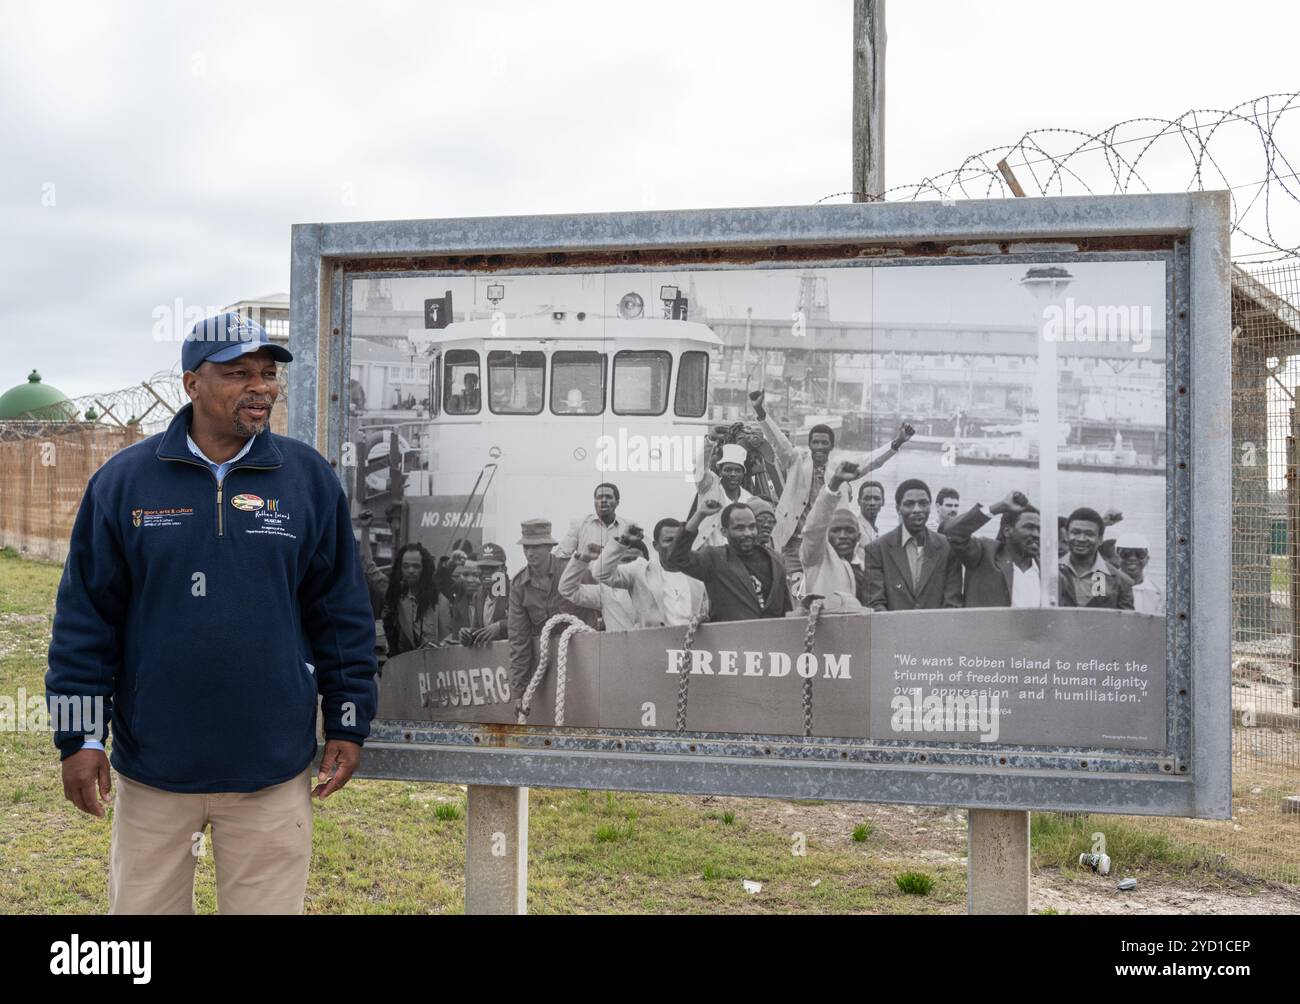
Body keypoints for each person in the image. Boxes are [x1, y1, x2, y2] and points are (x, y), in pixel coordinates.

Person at [44, 311, 377, 915]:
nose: (261, 386)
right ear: (192, 384)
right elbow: (84, 623)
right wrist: (79, 735)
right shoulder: (124, 483)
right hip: (155, 771)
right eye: (238, 372)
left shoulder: (307, 481)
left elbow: (339, 612)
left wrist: (350, 723)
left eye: (268, 373)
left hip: (271, 769)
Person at [750, 388, 913, 572]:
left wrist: (897, 442)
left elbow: (870, 461)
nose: (819, 447)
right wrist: (760, 411)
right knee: (791, 593)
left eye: (824, 443)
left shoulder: (840, 468)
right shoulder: (796, 460)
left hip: (826, 546)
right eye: (816, 442)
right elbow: (777, 440)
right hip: (792, 543)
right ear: (809, 444)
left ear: (832, 445)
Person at [508, 519, 597, 693]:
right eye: (526, 547)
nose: (530, 552)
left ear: (549, 547)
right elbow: (518, 639)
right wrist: (519, 691)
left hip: (587, 661)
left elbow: (606, 603)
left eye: (536, 547)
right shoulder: (519, 586)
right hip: (550, 668)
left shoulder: (574, 572)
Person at [664, 500, 792, 621]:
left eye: (752, 527)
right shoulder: (714, 559)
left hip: (773, 639)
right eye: (740, 528)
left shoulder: (776, 560)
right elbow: (677, 557)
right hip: (731, 641)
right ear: (724, 532)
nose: (747, 533)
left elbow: (786, 608)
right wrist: (700, 515)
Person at [862, 479, 962, 611]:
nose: (917, 509)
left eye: (923, 503)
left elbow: (952, 602)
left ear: (930, 507)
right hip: (893, 629)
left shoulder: (947, 548)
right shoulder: (877, 549)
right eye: (909, 504)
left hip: (937, 629)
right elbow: (875, 602)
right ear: (898, 508)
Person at [591, 518, 708, 627]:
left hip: (693, 644)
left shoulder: (699, 573)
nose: (675, 545)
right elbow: (600, 573)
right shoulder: (640, 570)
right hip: (652, 644)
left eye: (679, 540)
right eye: (668, 540)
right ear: (655, 546)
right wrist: (624, 540)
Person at [942, 492, 1042, 608]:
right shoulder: (985, 553)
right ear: (1007, 531)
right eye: (1029, 527)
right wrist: (1000, 507)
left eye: (1039, 529)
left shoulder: (1048, 572)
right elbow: (953, 533)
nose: (1036, 534)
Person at [799, 461, 868, 609]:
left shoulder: (866, 565)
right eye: (836, 530)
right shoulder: (815, 560)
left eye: (849, 531)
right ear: (826, 535)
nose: (843, 536)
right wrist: (834, 484)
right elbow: (813, 529)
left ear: (858, 536)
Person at [370, 542, 450, 656]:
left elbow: (447, 642)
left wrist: (439, 646)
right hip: (406, 665)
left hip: (433, 664)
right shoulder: (396, 593)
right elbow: (369, 568)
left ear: (424, 568)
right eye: (406, 566)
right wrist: (365, 528)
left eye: (416, 566)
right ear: (400, 568)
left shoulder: (439, 601)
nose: (411, 570)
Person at [559, 539, 647, 632]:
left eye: (636, 560)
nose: (632, 565)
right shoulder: (605, 592)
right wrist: (583, 559)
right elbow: (568, 589)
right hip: (617, 645)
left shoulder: (659, 584)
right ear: (613, 565)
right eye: (625, 560)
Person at [1059, 507, 1134, 609]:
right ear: (1067, 535)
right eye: (1075, 532)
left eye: (1089, 534)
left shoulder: (1121, 582)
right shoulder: (1049, 572)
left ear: (1100, 539)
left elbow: (1126, 623)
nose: (1081, 539)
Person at [692, 437, 753, 548]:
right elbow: (699, 468)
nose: (733, 474)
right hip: (709, 555)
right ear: (720, 471)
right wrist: (710, 441)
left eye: (737, 470)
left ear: (743, 474)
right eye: (728, 469)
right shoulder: (708, 488)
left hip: (737, 557)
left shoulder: (749, 499)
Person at [554, 482, 637, 559]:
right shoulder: (579, 525)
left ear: (617, 502)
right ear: (594, 502)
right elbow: (560, 555)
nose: (603, 500)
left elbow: (638, 558)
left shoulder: (629, 527)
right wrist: (579, 561)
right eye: (599, 497)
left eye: (608, 497)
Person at [465, 542, 510, 645]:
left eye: (493, 568)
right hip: (488, 657)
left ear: (504, 570)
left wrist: (500, 626)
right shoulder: (479, 594)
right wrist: (468, 635)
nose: (486, 572)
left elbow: (523, 622)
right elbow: (477, 629)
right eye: (482, 567)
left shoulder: (515, 592)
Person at [1114, 531, 1164, 615]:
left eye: (1139, 554)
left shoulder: (1161, 592)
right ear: (1116, 557)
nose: (1132, 558)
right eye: (1125, 553)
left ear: (1147, 558)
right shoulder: (1105, 587)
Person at [852, 479, 885, 564]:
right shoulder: (854, 527)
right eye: (867, 498)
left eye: (877, 498)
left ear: (883, 502)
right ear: (859, 501)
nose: (872, 503)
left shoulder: (876, 531)